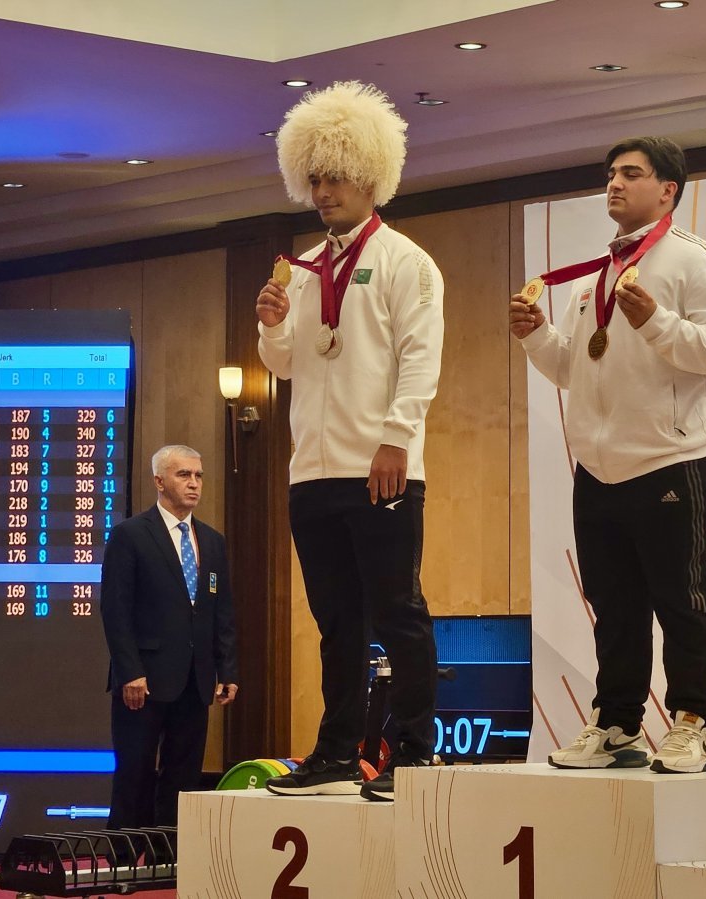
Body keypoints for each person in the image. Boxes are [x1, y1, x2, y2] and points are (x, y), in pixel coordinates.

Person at [510, 136, 706, 774]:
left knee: (683, 600)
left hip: (671, 459)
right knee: (615, 608)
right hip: (599, 468)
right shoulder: (598, 274)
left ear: (668, 189)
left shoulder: (696, 260)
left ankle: (694, 722)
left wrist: (658, 324)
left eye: (631, 174)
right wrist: (538, 339)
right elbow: (576, 368)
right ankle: (617, 725)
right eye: (610, 173)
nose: (613, 183)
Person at [256, 81, 444, 802]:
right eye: (314, 178)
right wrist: (272, 323)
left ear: (369, 176)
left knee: (398, 609)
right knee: (336, 622)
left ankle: (415, 752)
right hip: (313, 471)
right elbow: (284, 365)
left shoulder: (407, 261)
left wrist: (396, 438)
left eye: (334, 177)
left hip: (381, 466)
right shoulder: (301, 270)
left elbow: (421, 357)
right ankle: (337, 751)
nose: (322, 191)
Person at [100, 445, 238, 830]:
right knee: (136, 773)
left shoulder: (212, 541)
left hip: (195, 679)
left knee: (183, 774)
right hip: (143, 680)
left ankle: (171, 856)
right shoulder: (130, 535)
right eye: (184, 475)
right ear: (159, 481)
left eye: (198, 475)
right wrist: (130, 672)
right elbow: (115, 610)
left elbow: (221, 612)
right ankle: (125, 859)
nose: (194, 484)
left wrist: (227, 669)